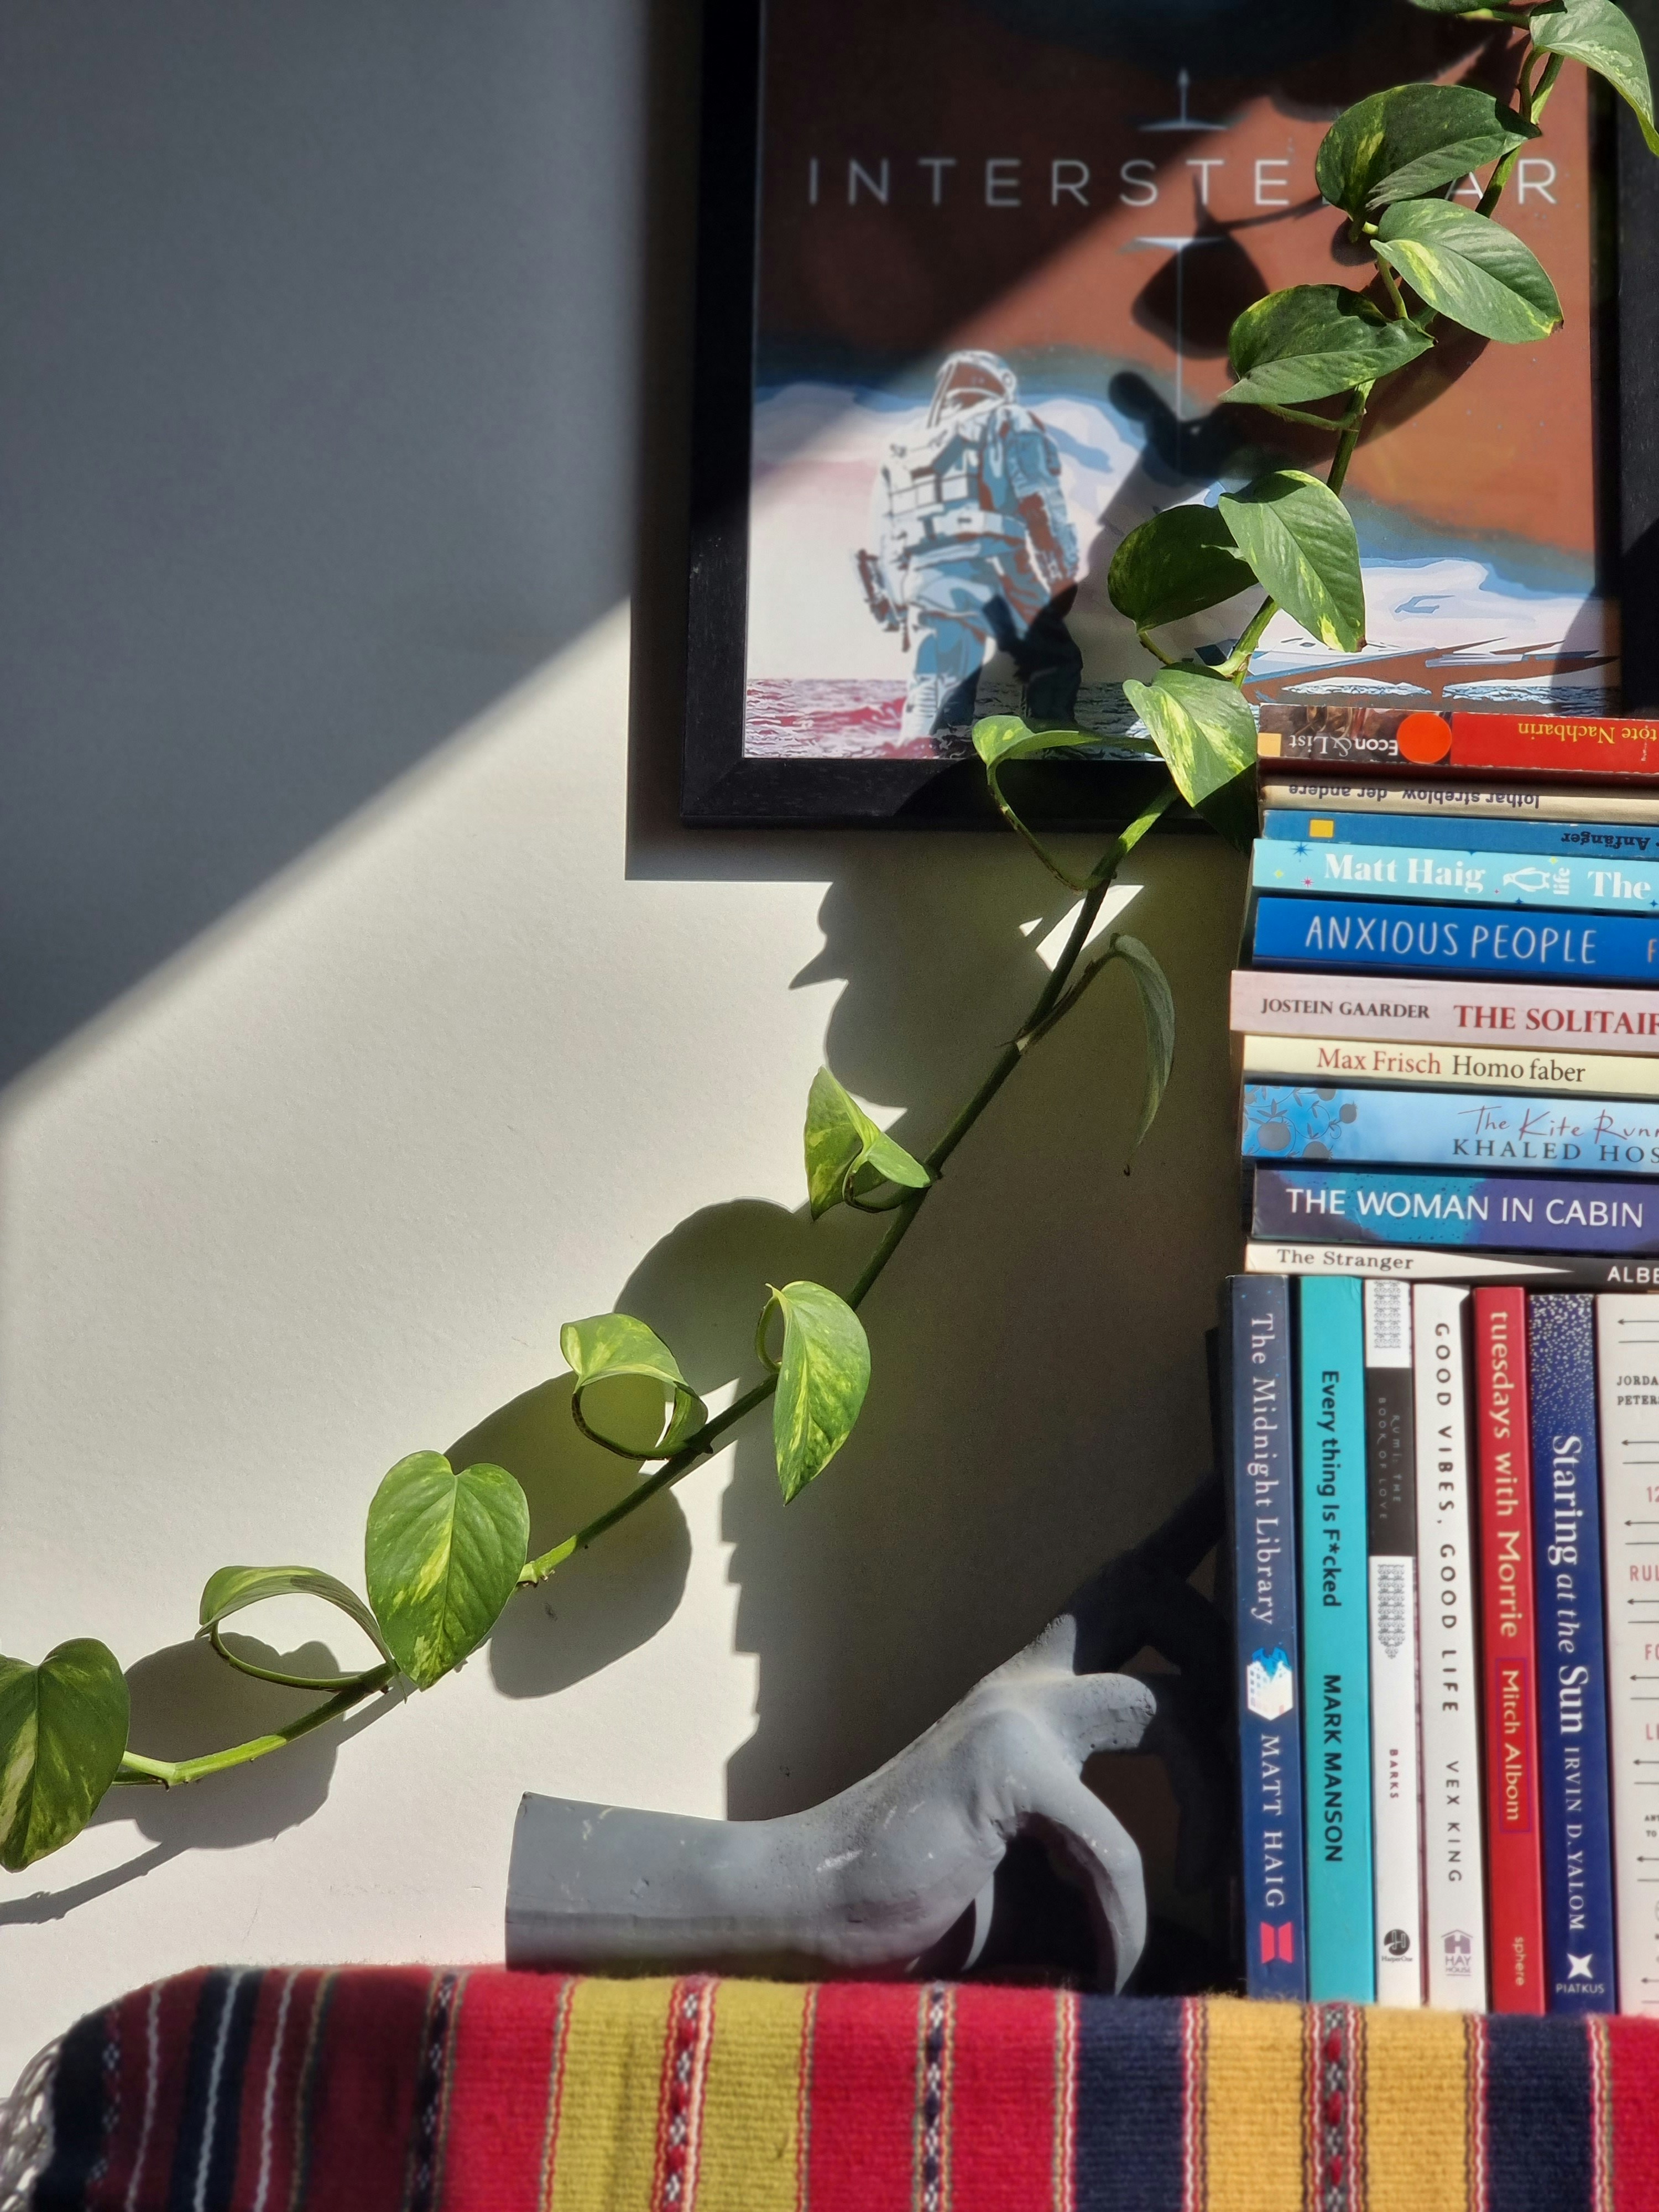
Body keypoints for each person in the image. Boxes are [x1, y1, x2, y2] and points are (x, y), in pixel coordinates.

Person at [857, 350, 1079, 740]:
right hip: (996, 567)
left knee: (950, 665)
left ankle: (944, 743)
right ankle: (1050, 745)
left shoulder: (907, 444)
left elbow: (883, 526)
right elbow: (1041, 508)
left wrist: (891, 594)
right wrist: (1060, 571)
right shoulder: (1010, 430)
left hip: (930, 577)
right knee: (1055, 661)